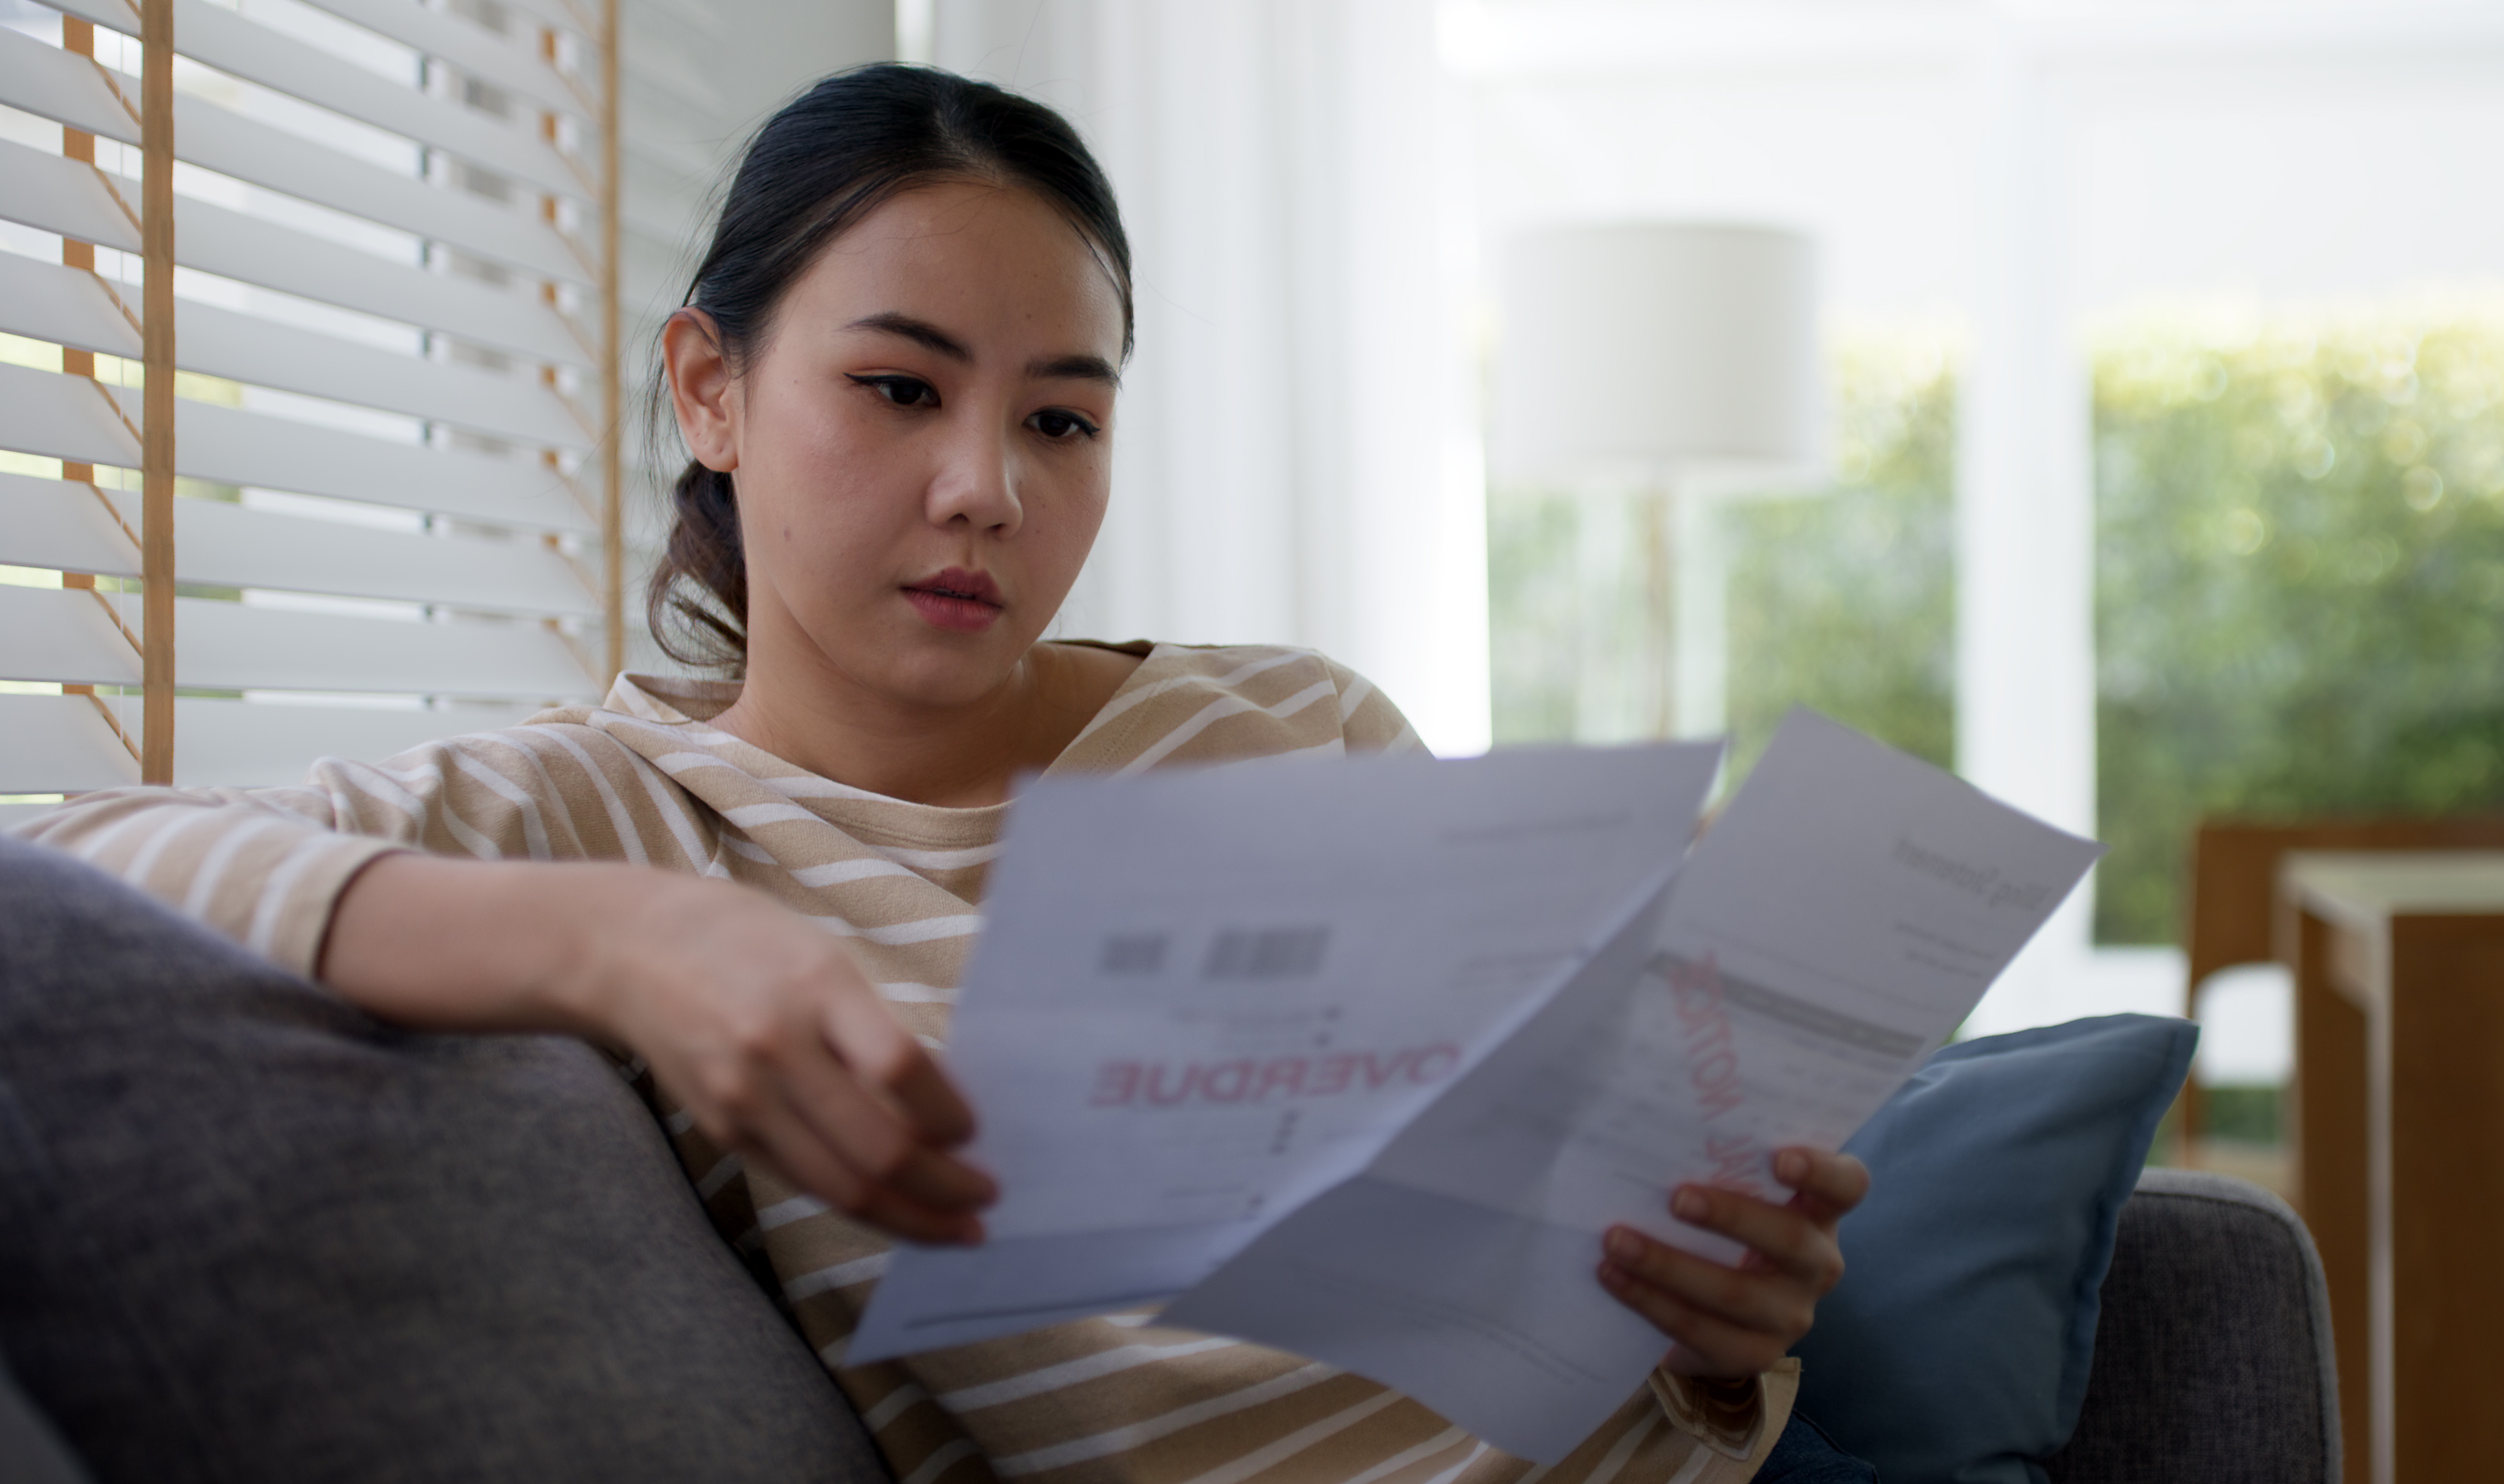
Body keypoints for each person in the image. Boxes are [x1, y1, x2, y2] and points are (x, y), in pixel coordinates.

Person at [16, 65, 1870, 1484]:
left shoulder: (1298, 728)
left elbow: (1569, 1279)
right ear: (711, 391)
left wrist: (1716, 1337)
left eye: (1061, 418)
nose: (989, 482)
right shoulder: (611, 819)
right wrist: (622, 953)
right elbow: (67, 871)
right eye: (901, 389)